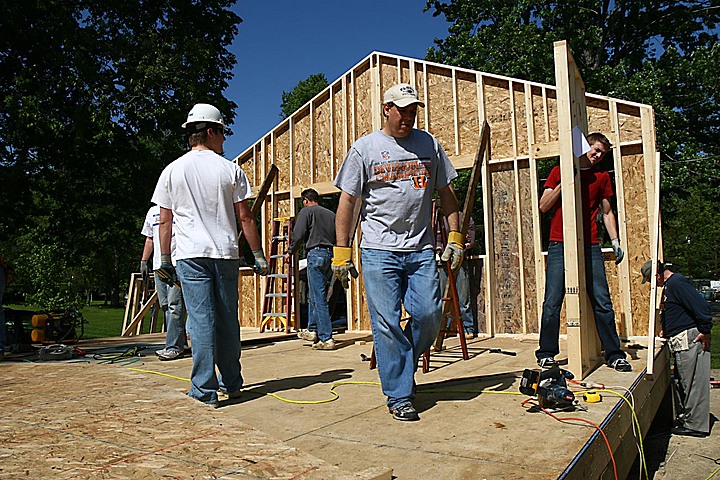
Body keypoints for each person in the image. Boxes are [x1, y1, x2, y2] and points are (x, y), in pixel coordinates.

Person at [332, 83, 463, 421]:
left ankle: (399, 362)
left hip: (419, 249)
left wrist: (456, 236)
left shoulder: (429, 145)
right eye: (401, 109)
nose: (407, 116)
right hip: (378, 250)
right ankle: (399, 394)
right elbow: (347, 200)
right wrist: (342, 251)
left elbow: (446, 193)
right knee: (387, 323)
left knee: (430, 315)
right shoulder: (365, 149)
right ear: (386, 108)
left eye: (413, 110)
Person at [151, 103, 269, 407]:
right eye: (223, 133)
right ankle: (233, 383)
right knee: (228, 320)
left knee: (201, 322)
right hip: (226, 254)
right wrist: (257, 254)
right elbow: (245, 218)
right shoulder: (229, 169)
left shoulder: (172, 171)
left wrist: (164, 259)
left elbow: (165, 221)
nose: (225, 140)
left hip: (190, 255)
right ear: (211, 131)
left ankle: (204, 390)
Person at [535, 132, 631, 372]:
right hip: (560, 243)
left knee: (602, 300)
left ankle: (614, 353)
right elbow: (543, 206)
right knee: (552, 301)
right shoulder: (559, 170)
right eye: (595, 150)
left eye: (602, 154)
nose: (597, 156)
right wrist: (568, 179)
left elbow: (607, 212)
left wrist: (615, 240)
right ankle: (546, 353)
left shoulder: (601, 178)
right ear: (586, 146)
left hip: (590, 245)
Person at [641, 260, 712, 437]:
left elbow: (701, 306)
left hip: (690, 338)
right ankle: (687, 419)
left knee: (693, 383)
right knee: (683, 382)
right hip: (680, 340)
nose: (652, 284)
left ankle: (696, 425)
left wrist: (705, 330)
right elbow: (677, 310)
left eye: (651, 280)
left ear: (657, 274)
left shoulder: (677, 283)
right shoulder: (669, 287)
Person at [285, 188, 337, 349]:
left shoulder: (306, 212)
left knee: (319, 297)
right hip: (330, 254)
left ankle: (326, 338)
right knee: (315, 295)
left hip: (315, 253)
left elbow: (299, 234)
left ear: (306, 200)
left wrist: (290, 251)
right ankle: (313, 329)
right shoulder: (331, 215)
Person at [140, 205, 188, 360]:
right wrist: (144, 260)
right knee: (165, 305)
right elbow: (150, 238)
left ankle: (174, 347)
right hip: (158, 266)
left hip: (176, 264)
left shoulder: (180, 208)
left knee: (175, 305)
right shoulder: (153, 211)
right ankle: (179, 342)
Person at [437, 212, 476, 338]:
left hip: (460, 260)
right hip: (444, 261)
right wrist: (439, 249)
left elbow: (470, 240)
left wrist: (462, 247)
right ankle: (445, 329)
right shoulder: (440, 219)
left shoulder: (465, 218)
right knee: (444, 297)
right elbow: (436, 240)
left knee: (463, 297)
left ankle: (467, 328)